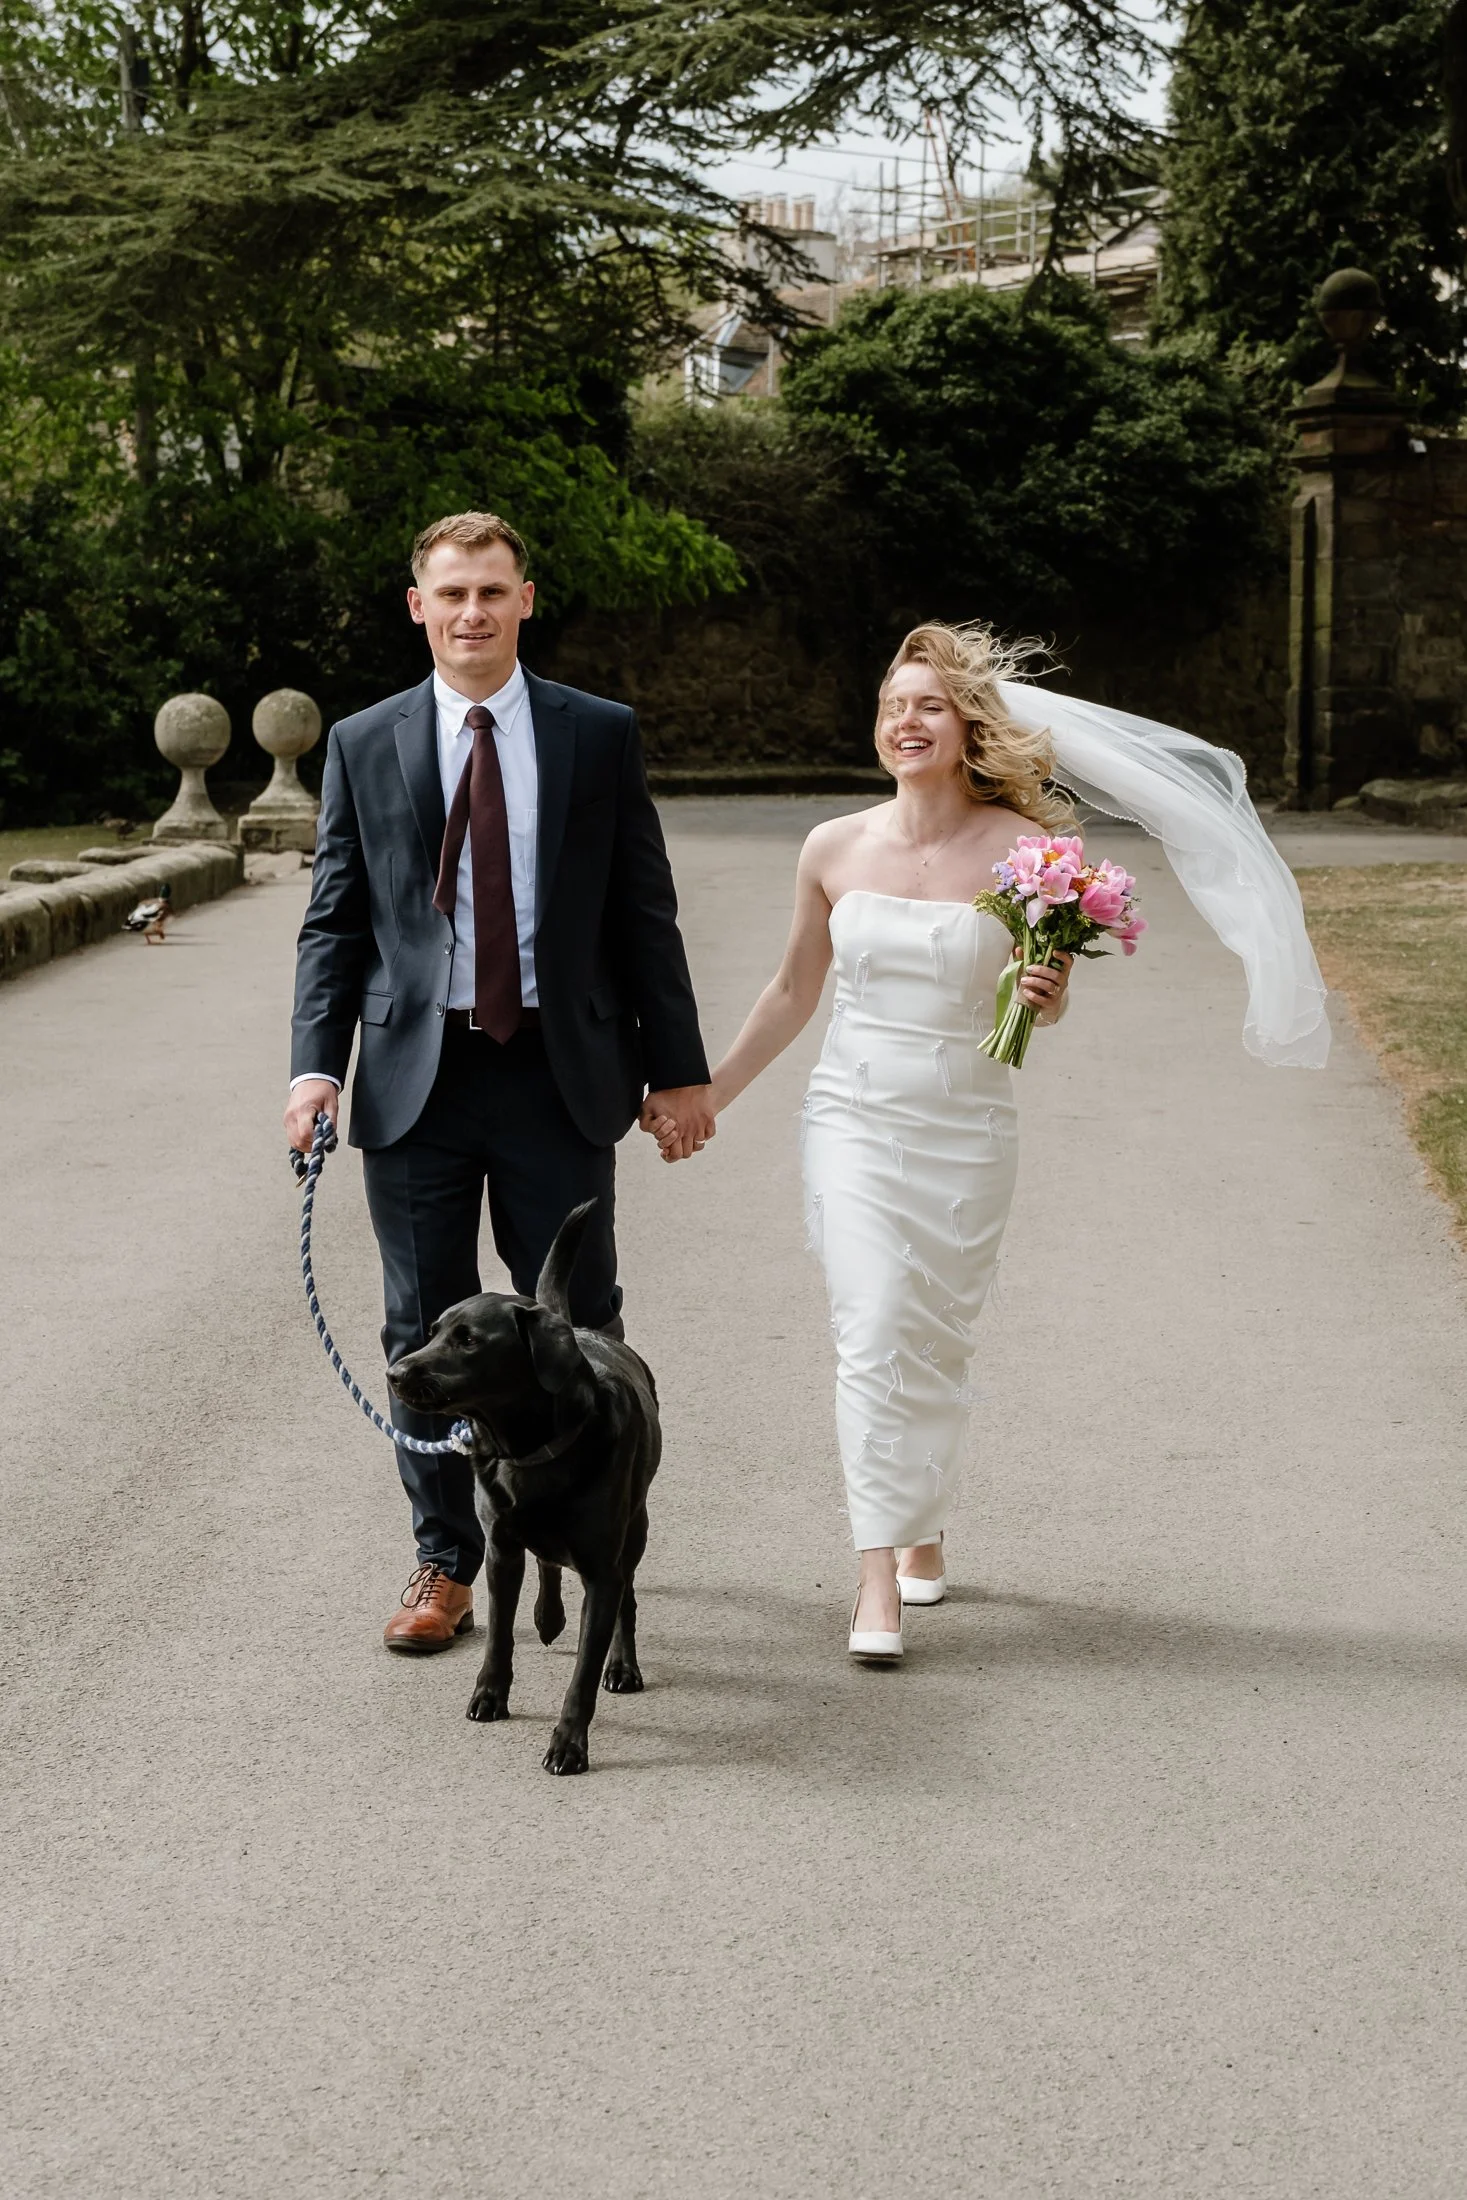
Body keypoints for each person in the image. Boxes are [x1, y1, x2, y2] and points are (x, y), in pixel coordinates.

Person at [649, 618, 1331, 1663]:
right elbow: (794, 991)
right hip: (855, 1119)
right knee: (871, 1325)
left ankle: (923, 1520)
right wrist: (709, 1097)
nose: (905, 721)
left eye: (927, 704)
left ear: (967, 725)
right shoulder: (833, 847)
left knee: (935, 1338)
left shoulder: (1028, 853)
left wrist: (1044, 992)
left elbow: (1036, 1009)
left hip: (967, 1124)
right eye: (891, 705)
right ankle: (876, 1572)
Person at [286, 510, 715, 1651]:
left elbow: (643, 911)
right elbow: (334, 921)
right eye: (451, 593)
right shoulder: (364, 740)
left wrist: (676, 1070)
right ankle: (445, 1560)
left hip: (558, 1069)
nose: (471, 611)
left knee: (578, 1321)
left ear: (526, 599)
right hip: (414, 1079)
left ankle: (600, 1529)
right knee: (422, 1331)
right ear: (417, 605)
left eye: (492, 590)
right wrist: (315, 1068)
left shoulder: (595, 733)